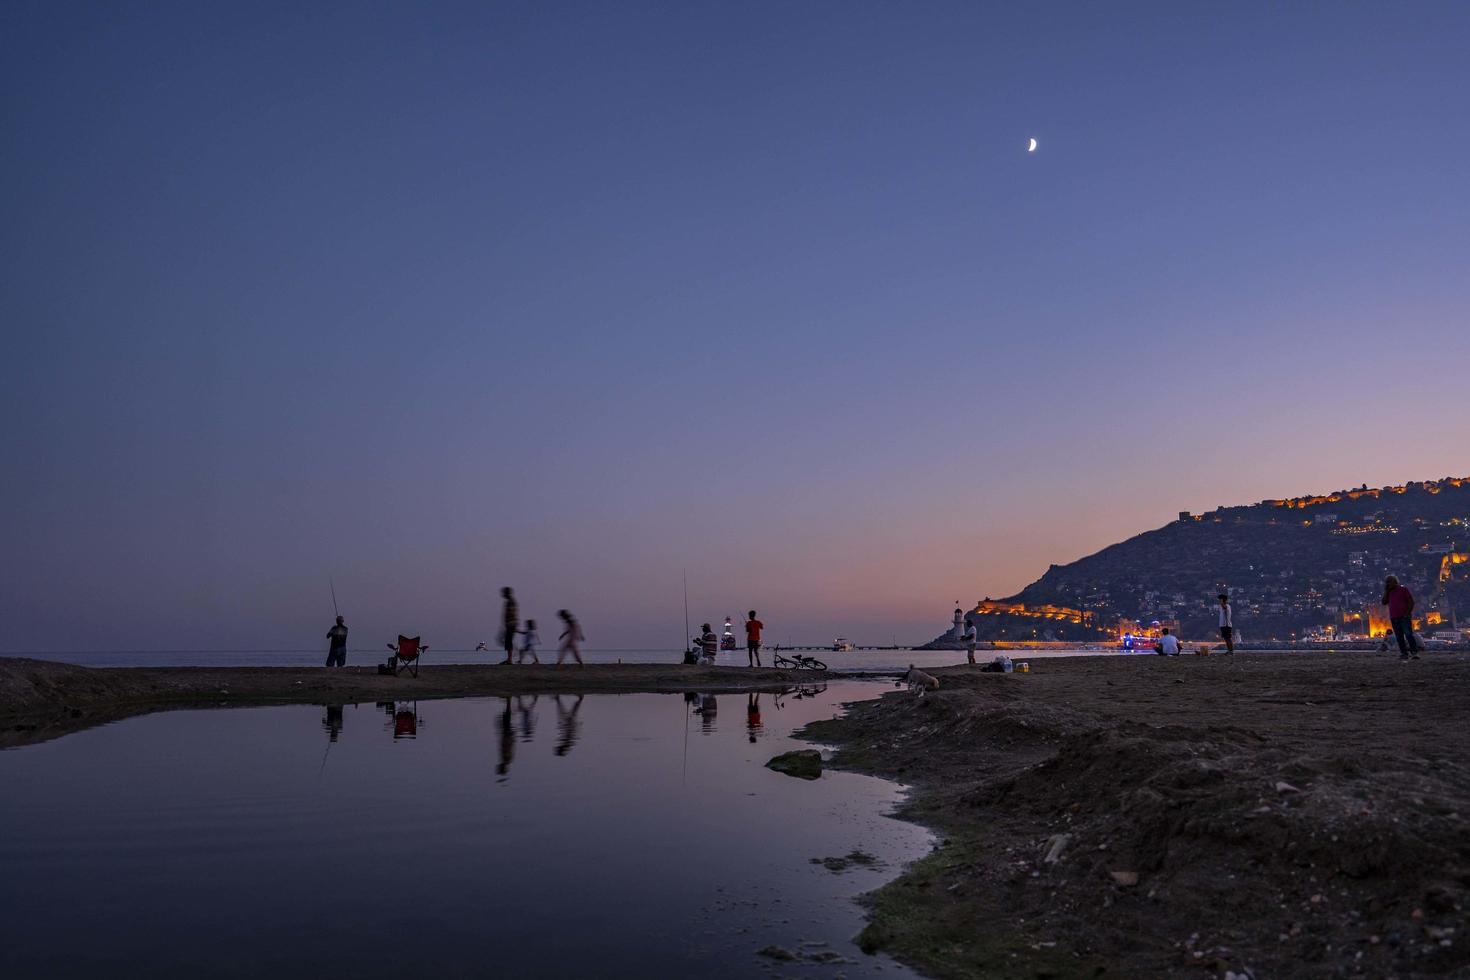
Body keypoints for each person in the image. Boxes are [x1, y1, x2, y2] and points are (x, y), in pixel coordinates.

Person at [1383, 575, 1421, 661]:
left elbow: (1411, 602)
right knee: (1399, 636)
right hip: (1394, 617)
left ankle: (1414, 653)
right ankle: (1404, 654)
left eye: (1389, 581)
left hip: (1404, 617)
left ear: (1395, 581)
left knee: (1408, 634)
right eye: (1387, 582)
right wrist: (1386, 591)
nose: (1388, 583)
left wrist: (1407, 613)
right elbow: (1384, 602)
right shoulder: (1389, 592)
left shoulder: (1403, 590)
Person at [499, 587, 519, 665]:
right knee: (508, 641)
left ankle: (510, 659)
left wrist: (509, 623)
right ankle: (509, 659)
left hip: (510, 624)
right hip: (510, 624)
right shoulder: (510, 601)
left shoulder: (510, 602)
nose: (503, 594)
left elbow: (511, 613)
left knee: (508, 641)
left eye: (504, 593)